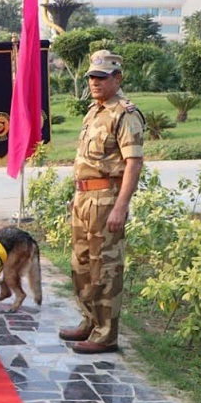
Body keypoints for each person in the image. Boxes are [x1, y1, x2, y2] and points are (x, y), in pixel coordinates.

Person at [58, 50, 144, 355]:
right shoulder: (94, 112)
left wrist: (121, 206)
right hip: (84, 198)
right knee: (80, 265)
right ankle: (89, 321)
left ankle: (106, 335)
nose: (95, 82)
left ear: (117, 78)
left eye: (101, 77)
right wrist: (78, 197)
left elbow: (133, 163)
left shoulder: (125, 113)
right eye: (92, 77)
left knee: (104, 268)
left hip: (107, 199)